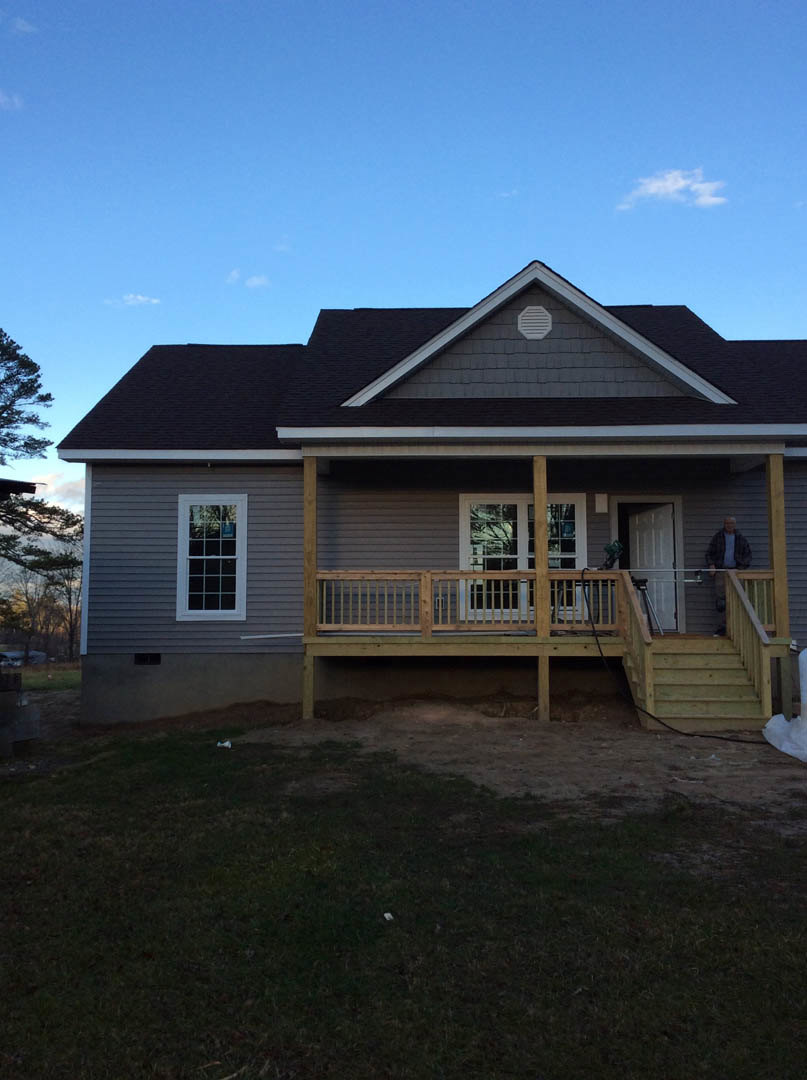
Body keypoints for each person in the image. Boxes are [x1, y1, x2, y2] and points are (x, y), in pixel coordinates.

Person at [705, 516, 752, 635]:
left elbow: (748, 556)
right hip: (721, 571)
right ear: (724, 524)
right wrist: (711, 565)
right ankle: (722, 628)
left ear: (735, 524)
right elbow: (709, 553)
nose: (729, 525)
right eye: (727, 523)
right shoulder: (718, 537)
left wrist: (740, 568)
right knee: (721, 602)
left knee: (738, 599)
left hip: (736, 572)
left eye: (731, 523)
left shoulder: (740, 538)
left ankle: (737, 628)